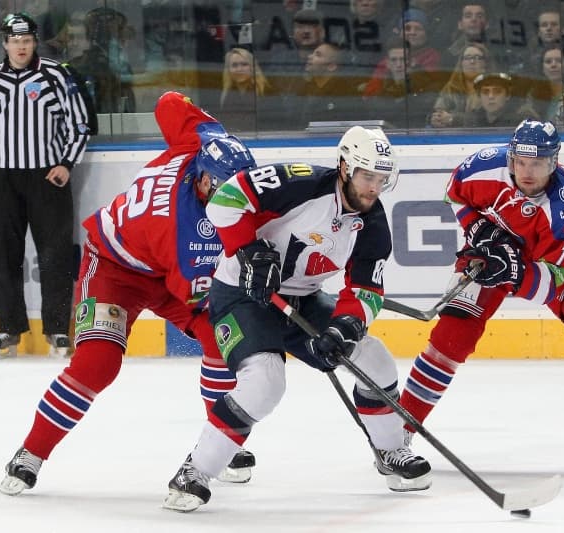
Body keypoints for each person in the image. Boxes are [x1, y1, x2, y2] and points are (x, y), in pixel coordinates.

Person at [0, 91, 260, 497]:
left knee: (220, 339)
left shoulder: (202, 144)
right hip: (114, 270)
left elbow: (169, 102)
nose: (238, 198)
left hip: (165, 268)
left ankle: (219, 444)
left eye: (243, 187)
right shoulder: (185, 232)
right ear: (205, 181)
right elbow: (199, 291)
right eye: (229, 189)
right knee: (97, 364)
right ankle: (31, 452)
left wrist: (206, 127)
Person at [163, 126, 432, 513]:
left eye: (381, 179)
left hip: (301, 300)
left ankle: (390, 451)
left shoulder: (372, 224)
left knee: (373, 357)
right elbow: (225, 198)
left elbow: (366, 291)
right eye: (366, 175)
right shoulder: (299, 183)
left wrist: (344, 328)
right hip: (242, 293)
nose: (373, 187)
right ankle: (195, 471)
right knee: (266, 380)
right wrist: (250, 250)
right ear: (344, 167)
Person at [399, 119, 564, 468]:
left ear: (554, 162)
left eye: (539, 164)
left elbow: (553, 282)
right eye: (521, 162)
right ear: (511, 157)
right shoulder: (484, 165)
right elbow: (454, 193)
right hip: (487, 258)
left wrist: (514, 273)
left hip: (547, 264)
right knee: (451, 336)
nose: (528, 172)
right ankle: (400, 427)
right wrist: (479, 228)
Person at [0, 12, 91, 359]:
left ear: (35, 42)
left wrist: (66, 163)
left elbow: (79, 124)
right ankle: (9, 328)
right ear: (4, 43)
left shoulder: (55, 75)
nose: (20, 47)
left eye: (26, 40)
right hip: (1, 179)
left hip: (46, 177)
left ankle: (57, 331)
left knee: (55, 255)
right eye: (14, 41)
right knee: (2, 256)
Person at [463, 72, 537, 127]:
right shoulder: (472, 121)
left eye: (497, 91)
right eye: (485, 92)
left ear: (507, 95)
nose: (491, 96)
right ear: (479, 96)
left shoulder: (520, 121)